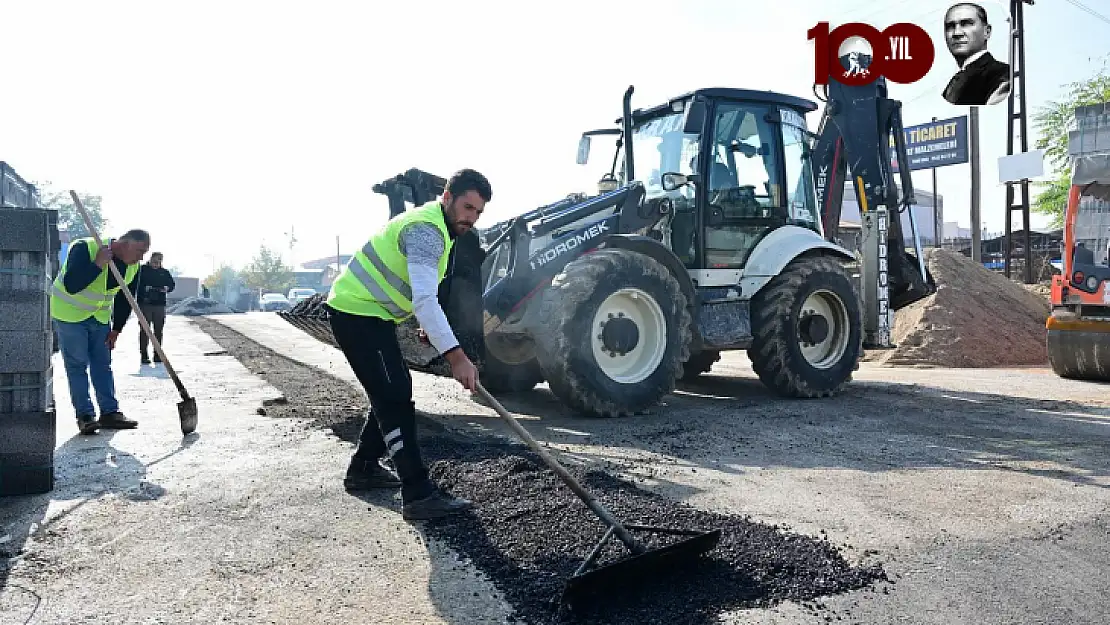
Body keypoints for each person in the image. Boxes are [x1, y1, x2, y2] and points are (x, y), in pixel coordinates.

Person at [325, 168, 490, 520]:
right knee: (395, 394)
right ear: (447, 197)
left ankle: (364, 469)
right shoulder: (428, 231)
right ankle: (416, 493)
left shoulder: (440, 229)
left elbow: (417, 291)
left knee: (391, 390)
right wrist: (457, 357)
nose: (471, 218)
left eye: (478, 212)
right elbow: (426, 302)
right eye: (467, 207)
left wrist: (427, 326)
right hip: (358, 313)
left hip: (369, 314)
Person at [50, 230, 150, 434]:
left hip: (99, 319)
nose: (142, 257)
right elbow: (71, 285)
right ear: (125, 243)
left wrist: (117, 329)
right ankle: (85, 416)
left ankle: (110, 413)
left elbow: (125, 299)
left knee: (103, 365)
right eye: (140, 251)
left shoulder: (133, 267)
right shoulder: (84, 248)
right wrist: (97, 264)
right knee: (77, 365)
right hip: (70, 314)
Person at [941, 3, 1011, 106]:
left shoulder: (1002, 75)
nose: (957, 33)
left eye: (966, 24)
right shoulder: (955, 80)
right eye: (950, 26)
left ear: (987, 32)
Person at [137, 252, 175, 363]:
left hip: (159, 304)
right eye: (154, 261)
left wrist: (166, 288)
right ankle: (144, 355)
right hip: (145, 304)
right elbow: (135, 284)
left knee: (158, 330)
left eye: (158, 262)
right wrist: (145, 289)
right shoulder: (142, 270)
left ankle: (157, 354)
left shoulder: (164, 272)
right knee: (145, 330)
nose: (156, 264)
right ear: (150, 259)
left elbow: (172, 285)